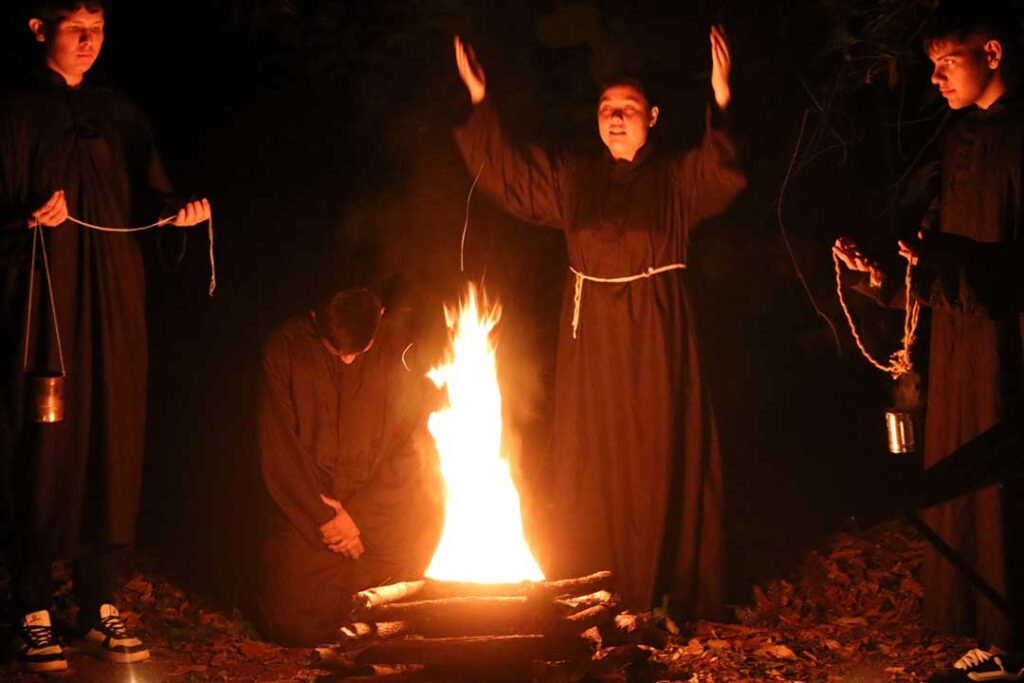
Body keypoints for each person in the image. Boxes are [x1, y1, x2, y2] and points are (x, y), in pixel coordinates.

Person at [451, 28, 746, 615]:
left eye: (629, 109)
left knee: (656, 453)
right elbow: (509, 179)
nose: (615, 118)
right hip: (590, 343)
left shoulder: (676, 179)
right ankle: (598, 592)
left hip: (656, 336)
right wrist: (482, 104)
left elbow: (723, 174)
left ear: (653, 117)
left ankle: (664, 588)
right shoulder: (573, 178)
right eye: (607, 109)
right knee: (593, 460)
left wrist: (722, 98)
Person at [0, 1, 211, 673]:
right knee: (41, 442)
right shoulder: (12, 111)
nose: (90, 41)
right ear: (39, 29)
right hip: (41, 296)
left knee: (112, 439)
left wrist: (175, 216)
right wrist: (22, 218)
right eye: (74, 28)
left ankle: (98, 601)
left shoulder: (121, 113)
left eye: (100, 27)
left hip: (114, 302)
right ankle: (31, 606)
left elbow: (150, 195)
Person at [835, 1, 1024, 677]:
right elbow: (944, 257)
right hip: (964, 349)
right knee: (970, 481)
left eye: (949, 62)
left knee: (1007, 484)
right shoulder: (960, 139)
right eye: (933, 66)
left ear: (993, 53)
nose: (937, 79)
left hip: (1012, 348)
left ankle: (1016, 636)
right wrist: (886, 276)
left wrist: (948, 258)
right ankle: (990, 629)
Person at [256, 288, 441, 646]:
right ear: (315, 318)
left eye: (360, 350)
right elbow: (279, 450)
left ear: (381, 314)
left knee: (403, 601)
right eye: (336, 350)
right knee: (293, 622)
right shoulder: (285, 350)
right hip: (313, 514)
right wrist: (326, 518)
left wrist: (358, 517)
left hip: (380, 512)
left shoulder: (402, 350)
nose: (348, 360)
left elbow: (414, 443)